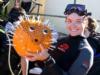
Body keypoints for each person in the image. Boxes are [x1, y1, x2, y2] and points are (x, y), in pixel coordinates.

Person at [21, 4, 94, 75]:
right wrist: (37, 57)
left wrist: (47, 59)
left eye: (78, 21)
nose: (73, 25)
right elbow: (49, 65)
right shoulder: (61, 41)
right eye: (69, 21)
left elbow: (50, 62)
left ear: (85, 22)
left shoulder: (86, 51)